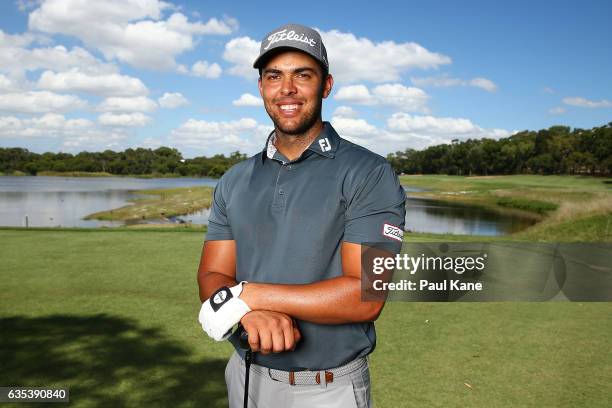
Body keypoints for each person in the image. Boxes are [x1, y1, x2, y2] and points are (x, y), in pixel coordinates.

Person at [197, 23, 406, 408]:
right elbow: (212, 275)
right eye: (274, 76)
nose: (287, 89)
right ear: (261, 88)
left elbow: (366, 294)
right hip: (243, 375)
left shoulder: (370, 173)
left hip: (327, 389)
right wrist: (246, 315)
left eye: (302, 75)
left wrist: (248, 296)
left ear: (326, 86)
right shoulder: (234, 179)